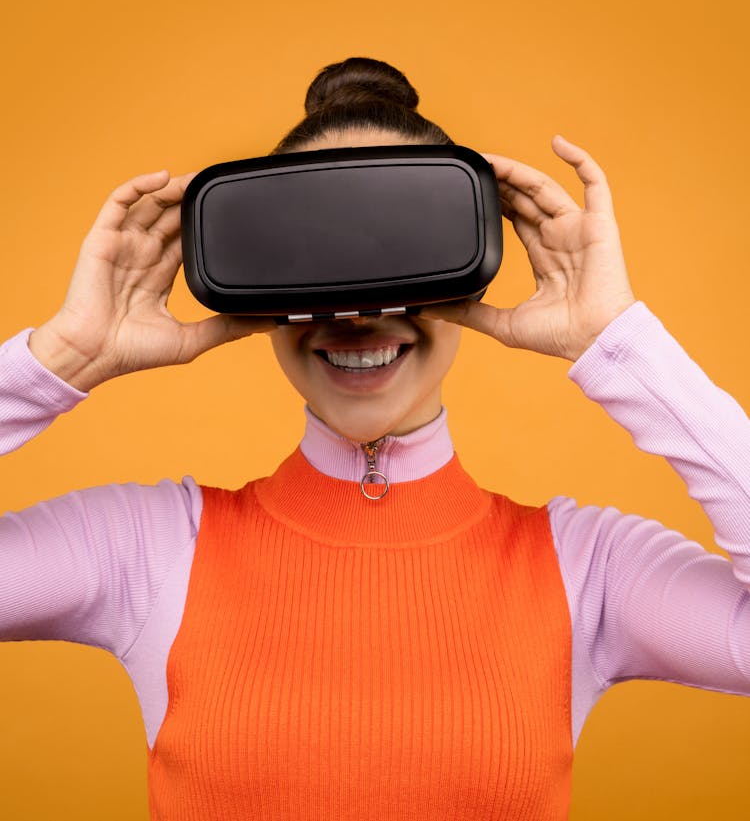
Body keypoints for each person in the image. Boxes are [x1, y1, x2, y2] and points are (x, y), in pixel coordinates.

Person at [1, 56, 748, 820]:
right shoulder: (150, 549)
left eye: (397, 249)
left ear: (471, 264)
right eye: (315, 256)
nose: (357, 309)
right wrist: (62, 359)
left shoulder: (586, 567)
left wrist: (619, 344)